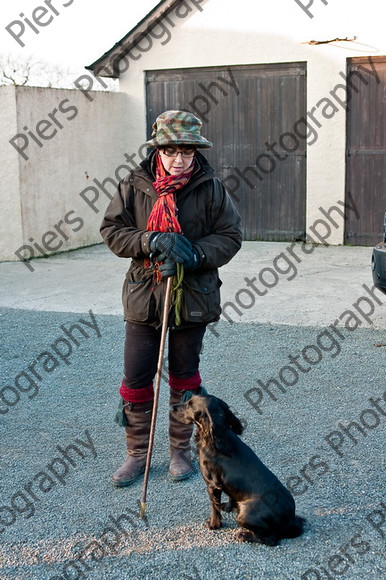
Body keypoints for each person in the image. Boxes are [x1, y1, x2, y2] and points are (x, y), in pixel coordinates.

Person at [100, 110, 242, 487]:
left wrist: (192, 254)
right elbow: (113, 231)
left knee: (183, 377)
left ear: (196, 150)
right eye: (171, 150)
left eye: (187, 150)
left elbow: (230, 236)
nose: (179, 158)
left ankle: (180, 451)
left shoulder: (210, 187)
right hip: (145, 296)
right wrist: (150, 240)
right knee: (136, 377)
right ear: (157, 149)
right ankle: (137, 455)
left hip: (192, 297)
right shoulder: (134, 184)